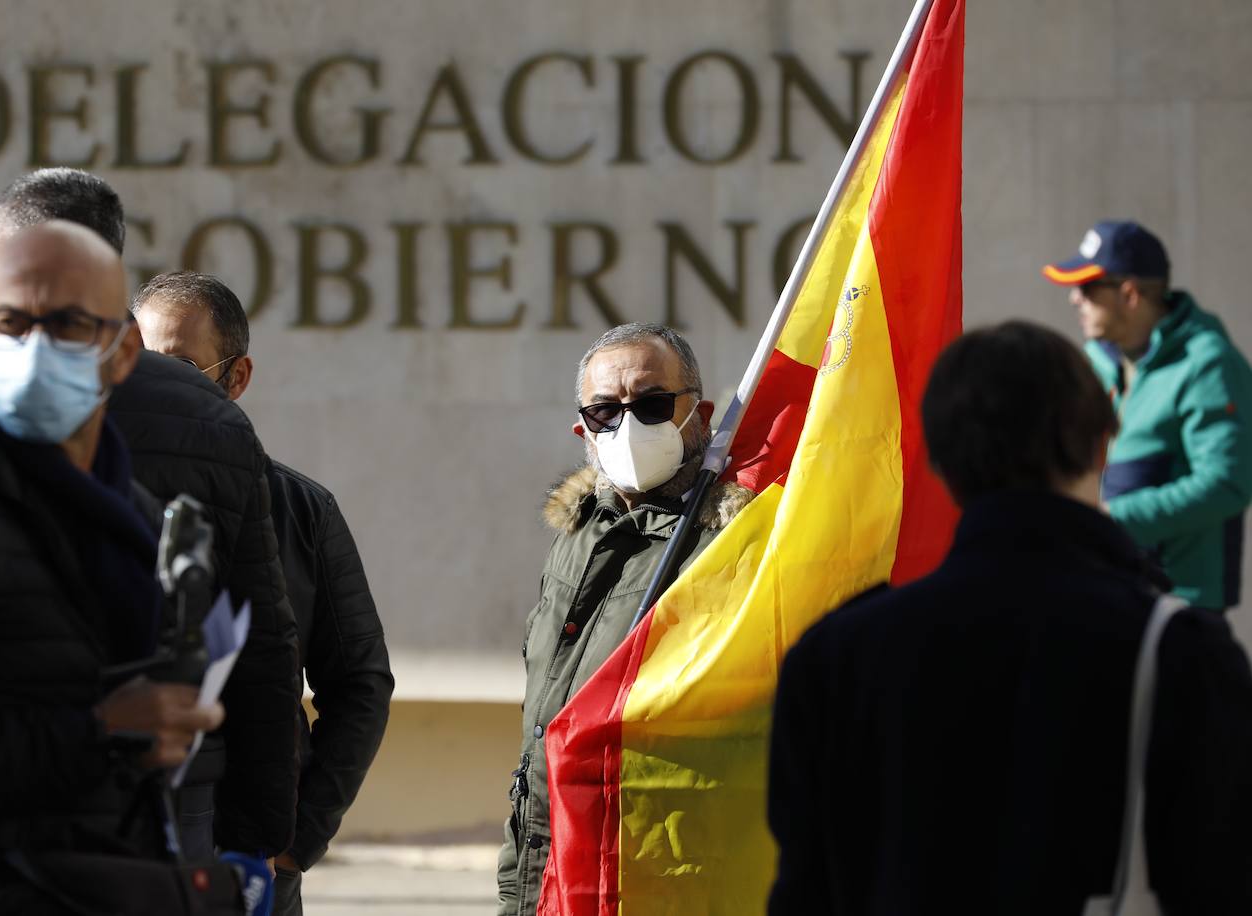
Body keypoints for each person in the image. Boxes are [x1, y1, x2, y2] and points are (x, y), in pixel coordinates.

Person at [0, 168, 301, 866]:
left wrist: (251, 854)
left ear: (122, 349)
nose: (40, 350)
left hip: (139, 861)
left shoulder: (131, 516)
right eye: (14, 323)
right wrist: (101, 734)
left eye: (71, 324)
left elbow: (258, 642)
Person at [767, 321, 1252, 915]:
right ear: (1104, 444)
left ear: (939, 464)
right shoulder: (1180, 650)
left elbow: (806, 892)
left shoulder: (835, 656)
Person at [133, 270, 394, 913]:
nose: (158, 386)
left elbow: (359, 681)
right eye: (140, 364)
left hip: (247, 865)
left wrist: (291, 842)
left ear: (237, 377)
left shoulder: (300, 509)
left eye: (184, 366)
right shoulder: (87, 492)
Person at [497, 322, 753, 916]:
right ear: (582, 427)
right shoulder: (580, 531)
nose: (629, 424)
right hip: (543, 856)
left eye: (652, 404)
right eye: (606, 410)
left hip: (653, 872)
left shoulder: (730, 544)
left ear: (700, 413)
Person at [1044, 220, 1252, 611]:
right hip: (1105, 595)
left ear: (1130, 294)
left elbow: (1228, 484)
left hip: (1181, 610)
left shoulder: (1207, 364)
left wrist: (1108, 520)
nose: (1075, 299)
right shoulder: (1096, 360)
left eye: (1087, 288)